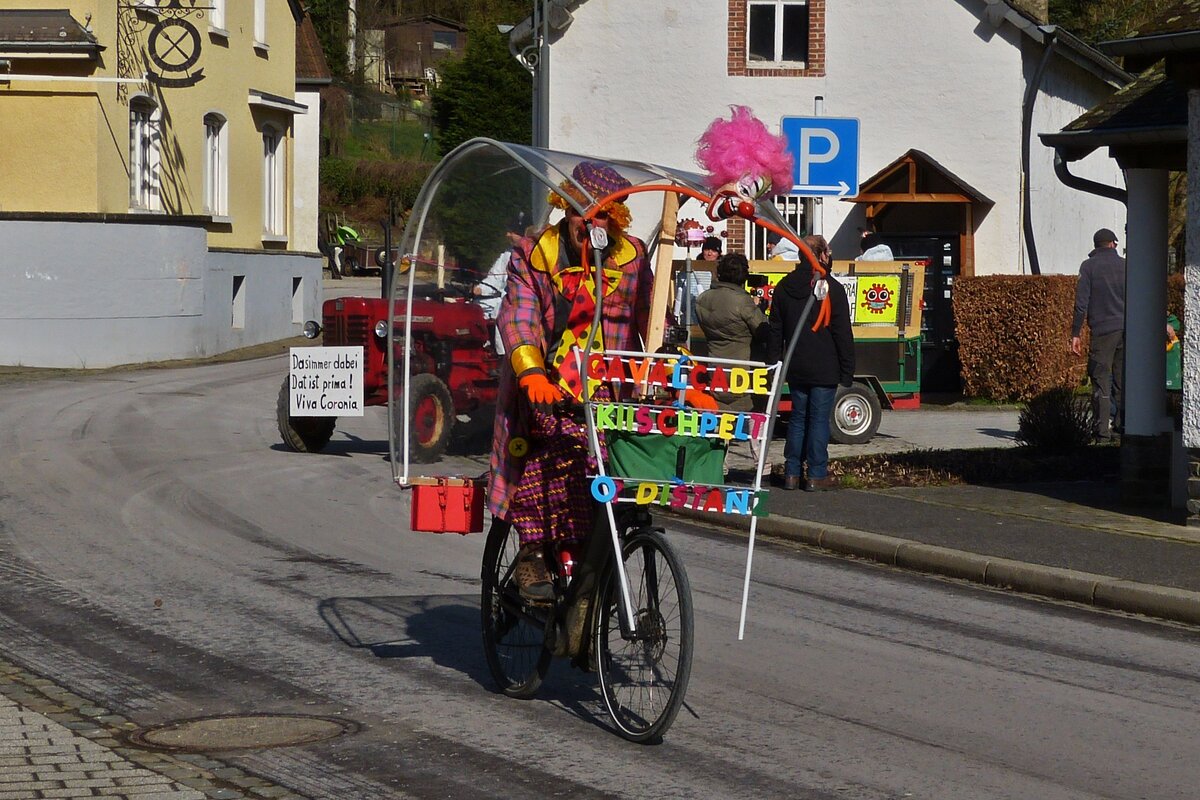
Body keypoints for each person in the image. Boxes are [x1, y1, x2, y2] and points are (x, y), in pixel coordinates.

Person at [487, 162, 655, 601]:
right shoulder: (533, 254)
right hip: (544, 392)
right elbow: (519, 317)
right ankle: (533, 554)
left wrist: (676, 381)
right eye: (585, 212)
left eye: (603, 216)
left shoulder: (633, 258)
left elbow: (652, 324)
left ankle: (599, 563)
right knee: (551, 458)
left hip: (609, 394)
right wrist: (531, 372)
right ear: (566, 208)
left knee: (616, 476)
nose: (593, 223)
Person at [767, 237, 855, 491]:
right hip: (825, 365)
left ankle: (792, 472)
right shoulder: (833, 289)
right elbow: (842, 333)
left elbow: (776, 329)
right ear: (822, 255)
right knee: (818, 420)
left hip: (796, 363)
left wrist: (773, 363)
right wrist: (847, 368)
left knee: (797, 418)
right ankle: (816, 474)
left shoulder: (783, 287)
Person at [696, 253, 769, 470]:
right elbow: (762, 330)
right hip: (742, 366)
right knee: (752, 414)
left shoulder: (703, 298)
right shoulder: (743, 302)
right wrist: (759, 308)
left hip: (714, 366)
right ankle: (759, 460)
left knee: (721, 417)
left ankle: (721, 463)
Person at [1070, 227, 1126, 440]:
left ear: (1096, 245)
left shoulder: (1089, 267)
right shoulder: (1126, 266)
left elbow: (1081, 303)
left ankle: (1102, 432)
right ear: (1113, 244)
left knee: (1100, 379)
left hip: (1103, 332)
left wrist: (1075, 333)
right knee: (1122, 380)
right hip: (1127, 330)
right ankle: (1122, 428)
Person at [474, 214, 529, 355]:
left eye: (511, 231)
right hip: (502, 299)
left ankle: (504, 356)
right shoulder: (507, 255)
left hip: (521, 303)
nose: (507, 234)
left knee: (504, 313)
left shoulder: (533, 256)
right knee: (475, 309)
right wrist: (481, 288)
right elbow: (494, 278)